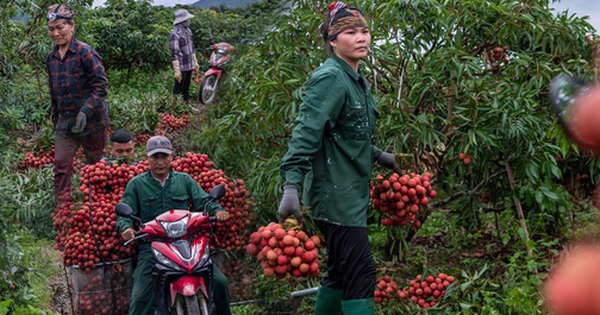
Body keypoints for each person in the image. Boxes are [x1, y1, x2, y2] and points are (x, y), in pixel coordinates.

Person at [277, 2, 401, 315]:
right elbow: (306, 134)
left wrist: (378, 155)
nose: (361, 38)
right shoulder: (330, 78)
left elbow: (345, 136)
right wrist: (290, 185)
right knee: (361, 274)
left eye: (364, 31)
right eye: (350, 32)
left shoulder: (355, 78)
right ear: (333, 41)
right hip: (335, 197)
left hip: (348, 193)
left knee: (341, 274)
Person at [117, 135, 232, 315]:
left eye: (164, 156)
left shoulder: (184, 180)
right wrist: (126, 228)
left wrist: (217, 211)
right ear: (147, 158)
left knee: (219, 282)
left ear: (172, 156)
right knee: (140, 297)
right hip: (152, 246)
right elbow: (126, 211)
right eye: (155, 157)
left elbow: (204, 202)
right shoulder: (137, 184)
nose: (160, 162)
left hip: (187, 243)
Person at [45, 4, 109, 200]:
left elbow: (101, 86)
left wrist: (85, 111)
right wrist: (56, 118)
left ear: (71, 26)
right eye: (51, 29)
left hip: (93, 122)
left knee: (95, 166)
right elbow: (53, 92)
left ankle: (97, 204)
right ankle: (62, 209)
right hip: (65, 123)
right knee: (61, 166)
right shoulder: (52, 58)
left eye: (60, 27)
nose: (55, 33)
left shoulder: (85, 53)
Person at [169, 9, 200, 102]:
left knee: (186, 87)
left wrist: (195, 61)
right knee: (178, 89)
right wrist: (177, 70)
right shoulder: (175, 35)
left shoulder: (188, 32)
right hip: (182, 66)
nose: (189, 21)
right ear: (182, 22)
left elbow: (192, 48)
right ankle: (175, 108)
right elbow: (175, 53)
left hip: (189, 65)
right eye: (187, 20)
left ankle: (186, 104)